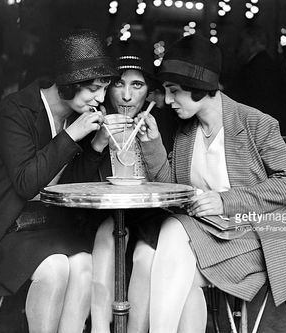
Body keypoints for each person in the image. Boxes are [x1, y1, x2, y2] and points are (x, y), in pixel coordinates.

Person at [135, 34, 286, 332]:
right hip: (203, 232)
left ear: (199, 88)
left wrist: (224, 200)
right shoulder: (185, 131)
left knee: (168, 239)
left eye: (174, 91)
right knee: (160, 258)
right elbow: (174, 190)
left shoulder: (256, 123)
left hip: (255, 234)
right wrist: (153, 144)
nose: (166, 101)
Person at [0, 29, 119, 333]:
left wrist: (95, 145)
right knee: (55, 269)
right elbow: (27, 183)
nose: (101, 98)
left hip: (42, 225)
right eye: (93, 88)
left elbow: (66, 187)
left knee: (83, 264)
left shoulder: (75, 118)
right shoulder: (15, 111)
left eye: (104, 88)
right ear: (68, 84)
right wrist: (72, 135)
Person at [89, 40, 178, 333]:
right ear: (105, 87)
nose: (126, 96)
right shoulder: (89, 121)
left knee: (147, 255)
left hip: (152, 215)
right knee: (107, 235)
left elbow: (174, 188)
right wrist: (97, 144)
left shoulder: (165, 125)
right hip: (99, 215)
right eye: (118, 84)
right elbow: (71, 181)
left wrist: (154, 144)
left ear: (150, 91)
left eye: (137, 85)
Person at [226, 24, 286, 133]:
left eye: (242, 41)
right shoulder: (268, 64)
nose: (239, 46)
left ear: (253, 42)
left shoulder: (255, 68)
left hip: (258, 130)